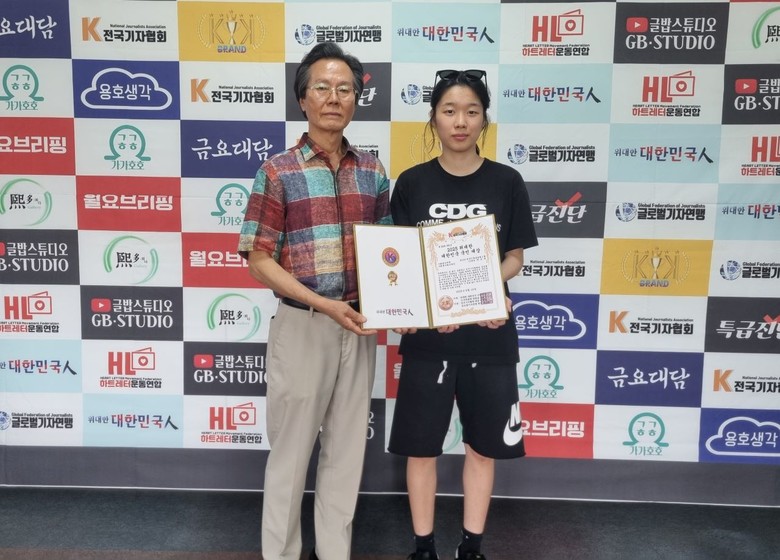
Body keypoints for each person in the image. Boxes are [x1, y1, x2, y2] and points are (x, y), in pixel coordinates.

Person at [237, 41, 391, 560]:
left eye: (345, 89)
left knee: (345, 457)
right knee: (290, 457)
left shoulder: (372, 171)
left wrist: (401, 305)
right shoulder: (278, 170)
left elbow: (388, 256)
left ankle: (333, 553)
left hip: (359, 327)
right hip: (304, 325)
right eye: (322, 87)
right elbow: (259, 259)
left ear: (356, 100)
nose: (334, 97)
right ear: (302, 99)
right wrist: (324, 305)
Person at [387, 69, 538, 560]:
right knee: (421, 449)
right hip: (430, 338)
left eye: (471, 112)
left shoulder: (507, 181)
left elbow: (514, 257)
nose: (460, 121)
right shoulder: (412, 183)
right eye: (449, 111)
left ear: (484, 120)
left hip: (489, 337)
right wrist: (421, 306)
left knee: (482, 448)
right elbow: (400, 262)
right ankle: (423, 547)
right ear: (433, 117)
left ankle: (471, 547)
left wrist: (491, 290)